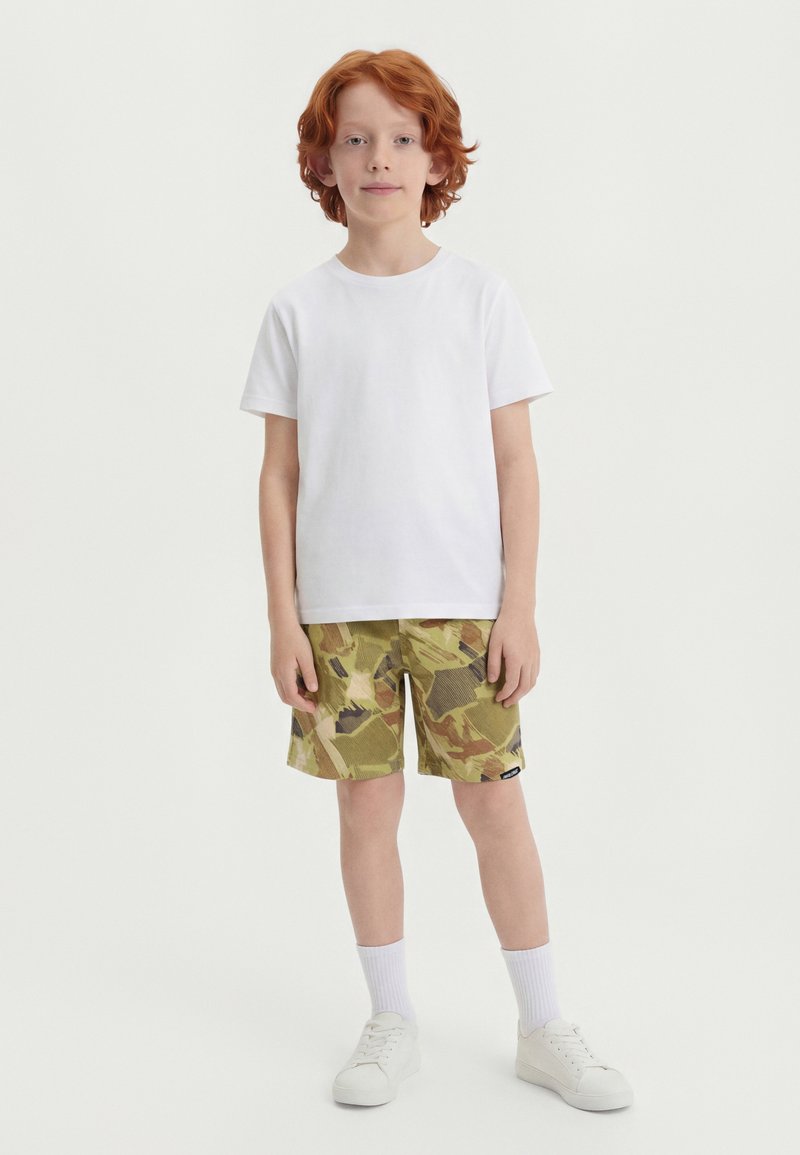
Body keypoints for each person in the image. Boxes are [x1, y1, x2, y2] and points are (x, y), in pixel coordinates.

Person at [239, 48, 633, 1112]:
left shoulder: (478, 298)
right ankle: (389, 1018)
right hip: (340, 618)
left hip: (463, 610)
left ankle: (542, 1024)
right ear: (323, 161)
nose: (379, 158)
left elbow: (516, 463)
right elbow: (278, 477)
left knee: (493, 806)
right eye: (355, 139)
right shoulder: (298, 310)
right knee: (366, 809)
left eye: (403, 139)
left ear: (436, 159)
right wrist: (282, 618)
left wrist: (519, 605)